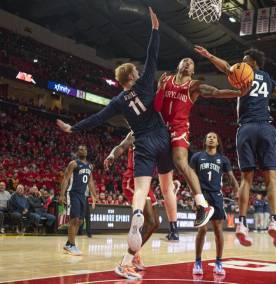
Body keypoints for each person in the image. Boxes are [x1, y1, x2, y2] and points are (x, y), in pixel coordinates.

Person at [55, 8, 201, 280]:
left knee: (142, 189)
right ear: (133, 76)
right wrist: (155, 30)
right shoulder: (146, 82)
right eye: (136, 70)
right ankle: (178, 215)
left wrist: (73, 128)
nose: (139, 69)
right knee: (168, 182)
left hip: (142, 141)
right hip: (161, 137)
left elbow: (97, 118)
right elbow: (152, 55)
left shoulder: (118, 101)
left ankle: (136, 214)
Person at [195, 45, 276, 249]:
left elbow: (226, 68)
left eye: (245, 59)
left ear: (253, 62)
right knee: (271, 179)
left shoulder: (243, 72)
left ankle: (241, 223)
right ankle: (274, 221)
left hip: (246, 129)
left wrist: (210, 55)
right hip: (266, 128)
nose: (242, 62)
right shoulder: (267, 78)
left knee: (246, 179)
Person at [154, 56, 251, 230]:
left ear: (193, 71)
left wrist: (238, 93)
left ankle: (202, 204)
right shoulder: (166, 80)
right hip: (161, 128)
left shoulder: (194, 86)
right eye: (184, 61)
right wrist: (159, 89)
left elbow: (216, 92)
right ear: (178, 65)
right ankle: (168, 196)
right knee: (159, 168)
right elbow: (157, 106)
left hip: (179, 128)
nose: (187, 63)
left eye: (191, 63)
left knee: (180, 161)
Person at [104, 131, 180, 270]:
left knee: (155, 223)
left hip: (146, 180)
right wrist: (112, 155)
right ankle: (128, 258)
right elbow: (121, 147)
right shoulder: (135, 132)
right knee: (150, 222)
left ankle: (135, 253)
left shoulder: (160, 134)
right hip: (132, 180)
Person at [190, 132, 239, 276]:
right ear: (205, 141)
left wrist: (238, 191)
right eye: (208, 137)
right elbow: (190, 177)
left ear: (218, 143)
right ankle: (198, 262)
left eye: (214, 137)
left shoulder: (223, 159)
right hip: (202, 195)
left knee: (218, 230)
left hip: (217, 196)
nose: (211, 138)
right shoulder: (197, 157)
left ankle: (218, 262)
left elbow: (231, 177)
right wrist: (195, 197)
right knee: (202, 229)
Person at [59, 145, 97, 255]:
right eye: (80, 149)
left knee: (80, 221)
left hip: (82, 196)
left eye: (85, 149)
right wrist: (62, 194)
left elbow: (90, 181)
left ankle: (68, 244)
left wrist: (94, 195)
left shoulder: (90, 166)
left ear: (87, 152)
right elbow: (66, 179)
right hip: (72, 193)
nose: (83, 150)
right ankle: (72, 245)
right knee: (74, 219)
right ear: (77, 152)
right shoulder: (73, 163)